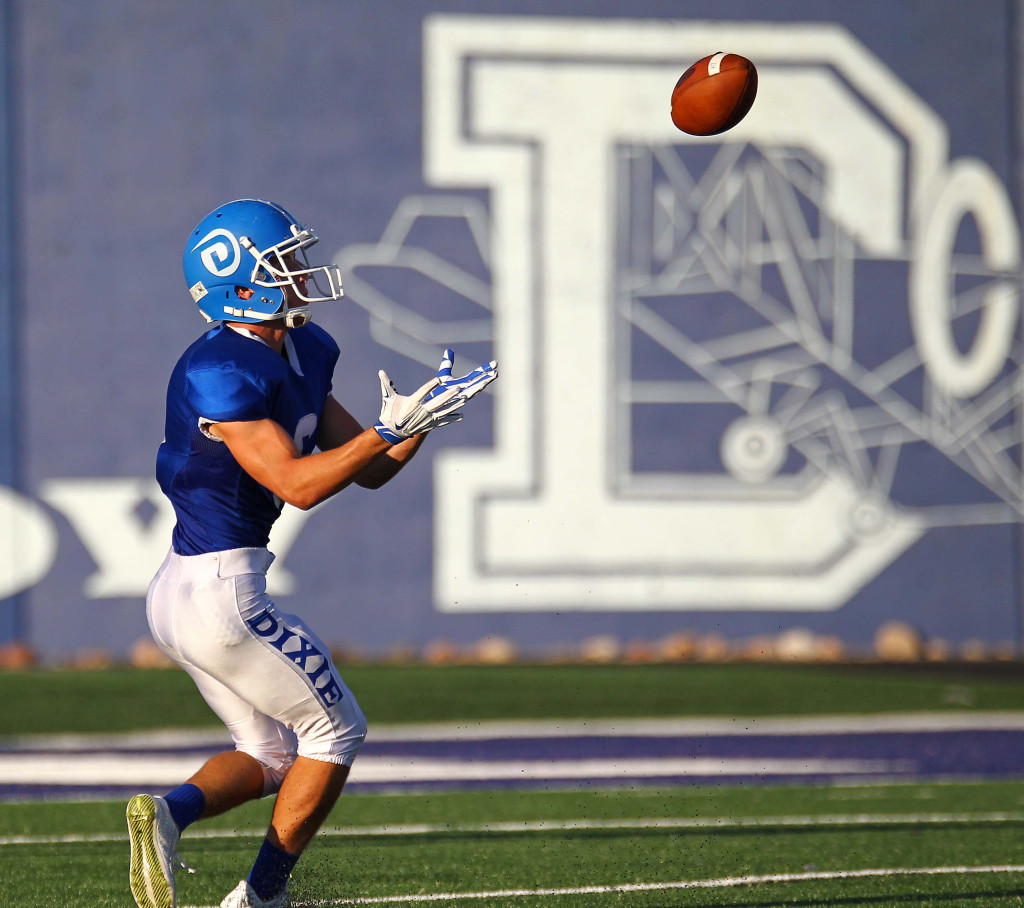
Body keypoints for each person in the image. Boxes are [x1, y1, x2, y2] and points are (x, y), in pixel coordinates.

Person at [126, 198, 498, 908]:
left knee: (270, 753)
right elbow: (296, 486)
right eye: (281, 262)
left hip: (182, 589)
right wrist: (385, 433)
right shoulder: (219, 369)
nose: (298, 271)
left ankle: (166, 816)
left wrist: (416, 423)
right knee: (336, 731)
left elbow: (367, 465)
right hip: (219, 594)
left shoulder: (306, 346)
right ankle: (262, 896)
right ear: (242, 282)